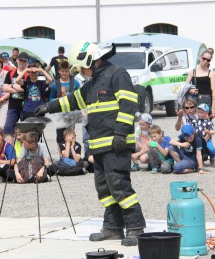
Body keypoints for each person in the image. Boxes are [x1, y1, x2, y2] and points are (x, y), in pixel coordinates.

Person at [35, 41, 146, 246]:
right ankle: (113, 227)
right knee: (104, 188)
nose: (82, 72)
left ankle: (136, 227)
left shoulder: (117, 74)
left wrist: (121, 134)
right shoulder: (92, 83)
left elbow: (129, 104)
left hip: (116, 143)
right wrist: (47, 106)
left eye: (82, 67)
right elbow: (72, 100)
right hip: (99, 144)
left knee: (119, 185)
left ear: (91, 60)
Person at [49, 60, 80, 150]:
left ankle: (71, 155)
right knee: (59, 136)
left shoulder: (75, 83)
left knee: (70, 135)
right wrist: (56, 100)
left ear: (69, 70)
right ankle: (61, 157)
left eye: (66, 71)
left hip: (72, 113)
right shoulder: (55, 84)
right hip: (59, 114)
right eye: (62, 71)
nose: (64, 73)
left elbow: (79, 97)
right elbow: (51, 98)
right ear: (59, 71)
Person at [2, 51, 28, 143]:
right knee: (8, 129)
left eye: (24, 61)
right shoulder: (10, 73)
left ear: (27, 63)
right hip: (13, 106)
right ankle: (10, 153)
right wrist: (18, 88)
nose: (22, 62)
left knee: (25, 130)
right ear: (17, 60)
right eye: (21, 60)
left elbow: (28, 89)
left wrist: (12, 86)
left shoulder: (29, 74)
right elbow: (4, 87)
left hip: (25, 107)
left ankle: (24, 152)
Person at [185, 50, 215, 118]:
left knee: (205, 125)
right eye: (204, 58)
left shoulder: (211, 73)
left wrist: (213, 108)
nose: (205, 61)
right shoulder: (192, 72)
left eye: (208, 60)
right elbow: (185, 87)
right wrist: (190, 90)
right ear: (200, 58)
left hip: (206, 103)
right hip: (194, 102)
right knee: (194, 124)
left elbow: (214, 92)